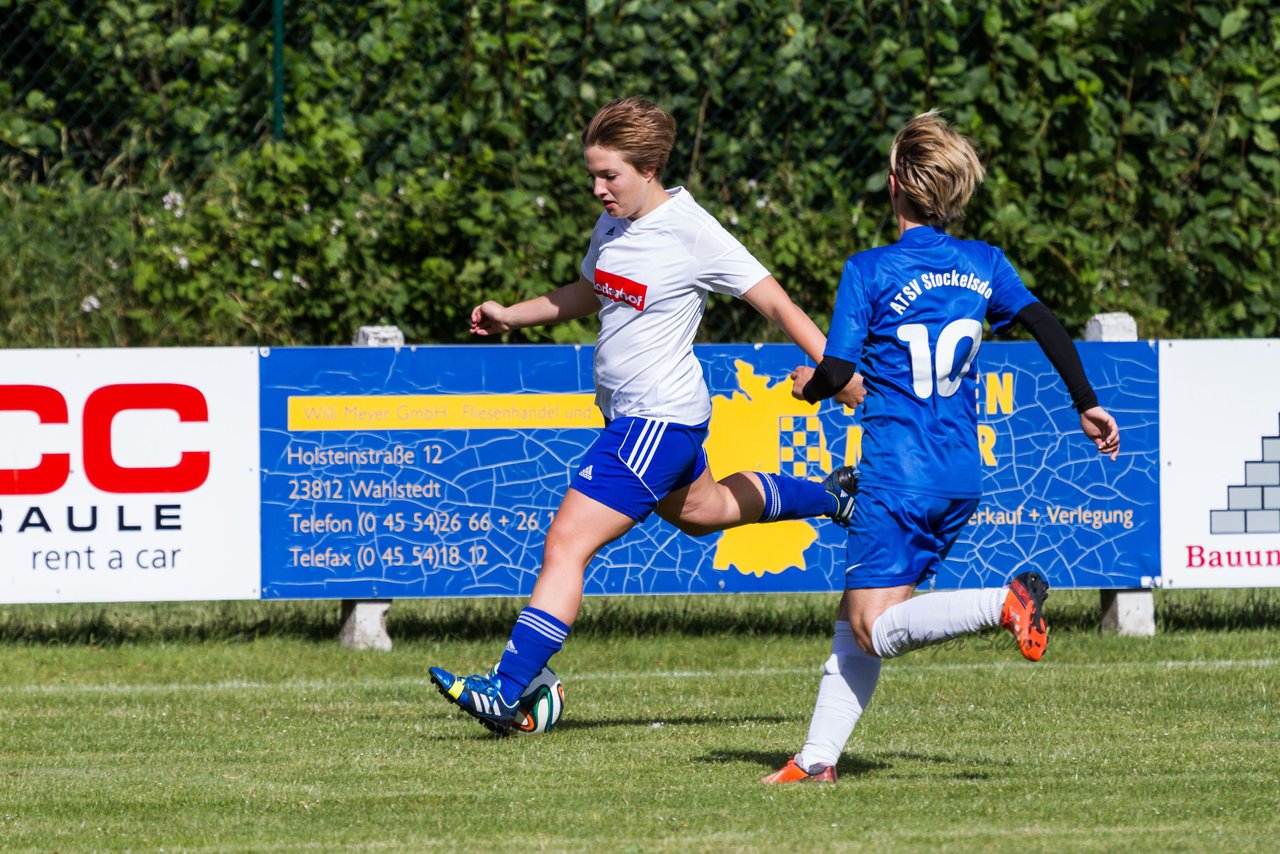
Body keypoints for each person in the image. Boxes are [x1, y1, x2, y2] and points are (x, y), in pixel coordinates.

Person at [429, 96, 865, 734]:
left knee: (566, 544)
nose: (599, 189)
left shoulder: (690, 229)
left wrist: (839, 371)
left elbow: (775, 302)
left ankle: (506, 686)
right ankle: (831, 495)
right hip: (649, 421)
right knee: (703, 512)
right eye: (593, 175)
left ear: (650, 168)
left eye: (612, 176)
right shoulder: (612, 227)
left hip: (654, 423)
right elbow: (588, 291)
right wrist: (510, 314)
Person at [762, 109, 1121, 783]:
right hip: (959, 475)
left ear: (894, 184)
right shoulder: (983, 263)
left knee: (874, 628)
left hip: (898, 475)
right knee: (857, 617)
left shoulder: (870, 270)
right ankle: (814, 760)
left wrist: (809, 389)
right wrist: (1086, 402)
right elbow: (1043, 320)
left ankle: (1004, 603)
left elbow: (838, 372)